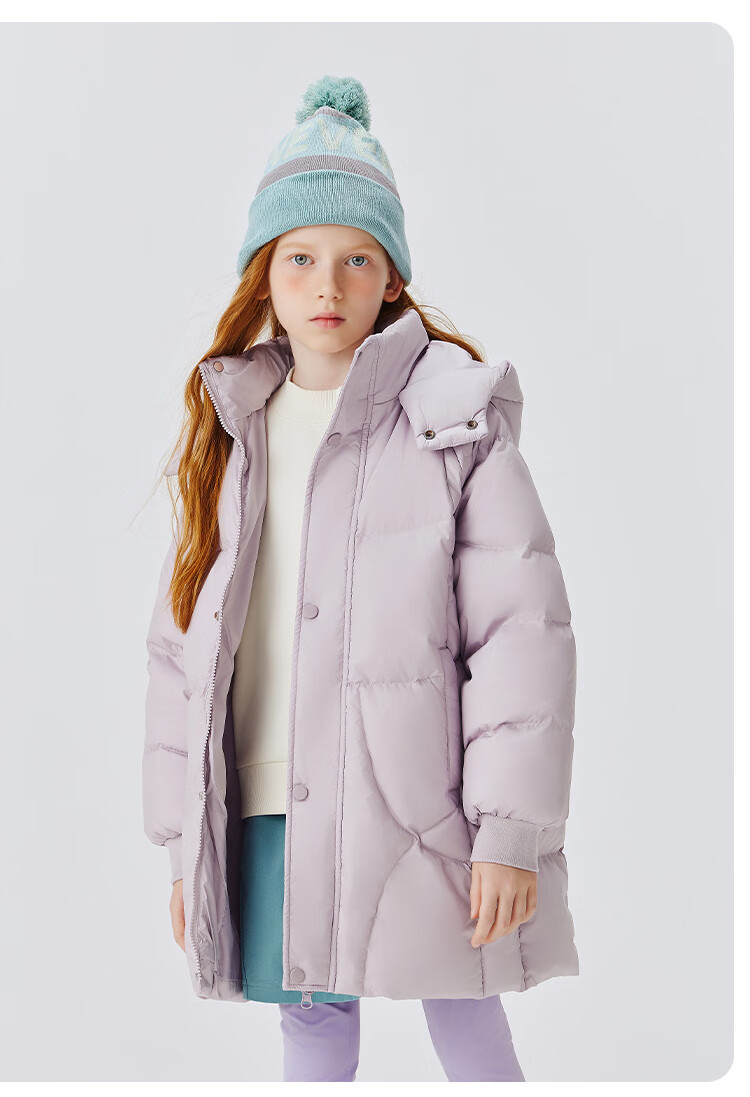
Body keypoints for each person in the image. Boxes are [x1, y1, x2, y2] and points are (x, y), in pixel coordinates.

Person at [142, 74, 578, 1083]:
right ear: (265, 276)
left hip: (420, 797)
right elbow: (178, 651)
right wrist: (183, 841)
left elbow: (520, 635)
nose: (325, 284)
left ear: (391, 279)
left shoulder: (451, 424)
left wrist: (511, 828)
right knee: (310, 1020)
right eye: (299, 257)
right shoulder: (233, 431)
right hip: (267, 793)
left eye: (355, 258)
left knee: (462, 1011)